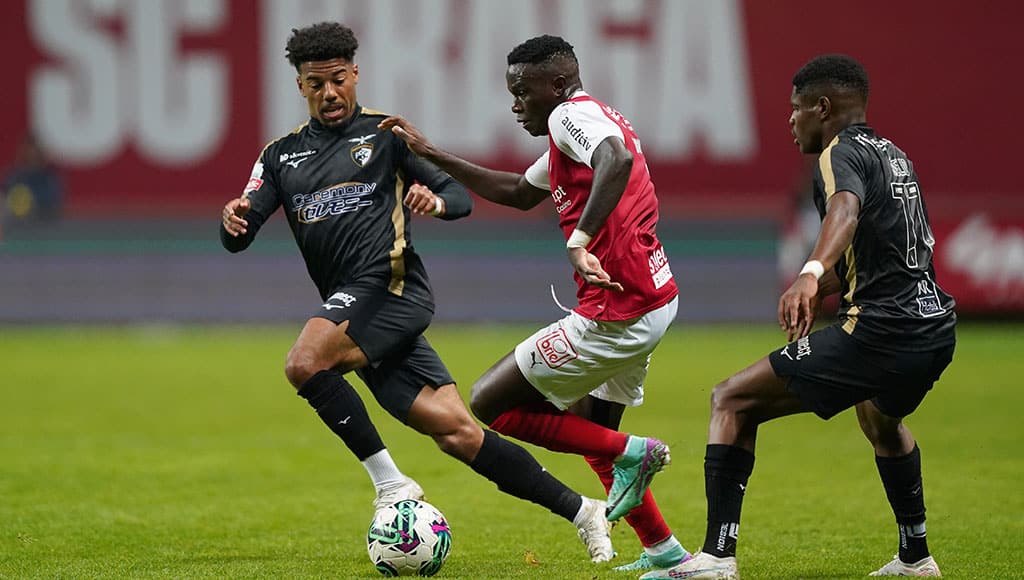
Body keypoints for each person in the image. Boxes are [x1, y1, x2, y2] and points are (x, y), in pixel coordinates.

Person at [219, 22, 615, 563]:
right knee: (458, 433)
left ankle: (392, 487)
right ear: (301, 87)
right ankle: (583, 511)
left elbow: (460, 196)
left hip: (392, 291)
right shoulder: (279, 157)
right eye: (316, 84)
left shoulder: (386, 136)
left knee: (304, 363)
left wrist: (439, 202)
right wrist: (233, 220)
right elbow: (240, 232)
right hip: (356, 312)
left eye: (338, 79)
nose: (329, 93)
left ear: (355, 74)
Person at [380, 35, 690, 572]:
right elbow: (519, 192)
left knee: (490, 403)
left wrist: (579, 239)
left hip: (615, 313)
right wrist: (432, 155)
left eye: (523, 91)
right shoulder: (582, 128)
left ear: (558, 85)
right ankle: (667, 552)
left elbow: (613, 159)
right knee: (594, 434)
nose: (515, 103)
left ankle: (634, 452)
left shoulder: (571, 116)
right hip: (652, 299)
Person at [642, 54, 956, 579]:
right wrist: (825, 286)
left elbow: (845, 211)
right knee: (880, 417)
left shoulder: (840, 154)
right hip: (933, 329)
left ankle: (716, 559)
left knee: (732, 399)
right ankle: (915, 556)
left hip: (879, 333)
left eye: (796, 109)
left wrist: (811, 272)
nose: (790, 120)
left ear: (823, 107)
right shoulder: (895, 155)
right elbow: (889, 255)